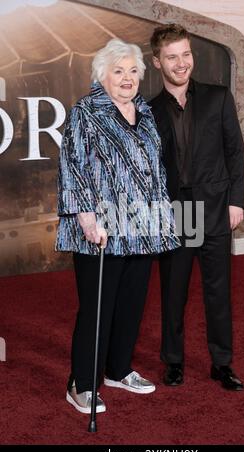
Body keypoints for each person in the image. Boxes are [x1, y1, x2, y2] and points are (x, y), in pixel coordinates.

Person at [55, 38, 180, 414]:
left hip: (142, 227)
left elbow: (155, 171)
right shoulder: (85, 112)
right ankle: (82, 383)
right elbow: (72, 167)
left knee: (131, 303)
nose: (127, 78)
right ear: (102, 76)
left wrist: (161, 220)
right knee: (98, 307)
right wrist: (87, 219)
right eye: (118, 71)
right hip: (101, 228)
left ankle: (118, 369)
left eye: (132, 71)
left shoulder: (143, 111)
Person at [149, 24, 244, 390]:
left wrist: (237, 200)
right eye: (172, 57)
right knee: (174, 292)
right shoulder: (150, 109)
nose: (181, 63)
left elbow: (235, 152)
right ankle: (173, 361)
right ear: (157, 62)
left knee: (218, 291)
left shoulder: (218, 97)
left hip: (217, 206)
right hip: (177, 211)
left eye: (185, 54)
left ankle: (222, 363)